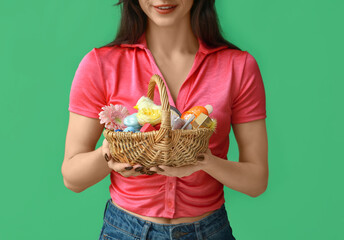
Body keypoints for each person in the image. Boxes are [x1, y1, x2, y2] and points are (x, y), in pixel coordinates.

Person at [62, 0, 268, 239]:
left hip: (210, 231)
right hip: (125, 231)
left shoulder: (238, 66)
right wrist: (109, 155)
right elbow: (72, 177)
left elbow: (256, 180)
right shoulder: (100, 64)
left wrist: (205, 161)